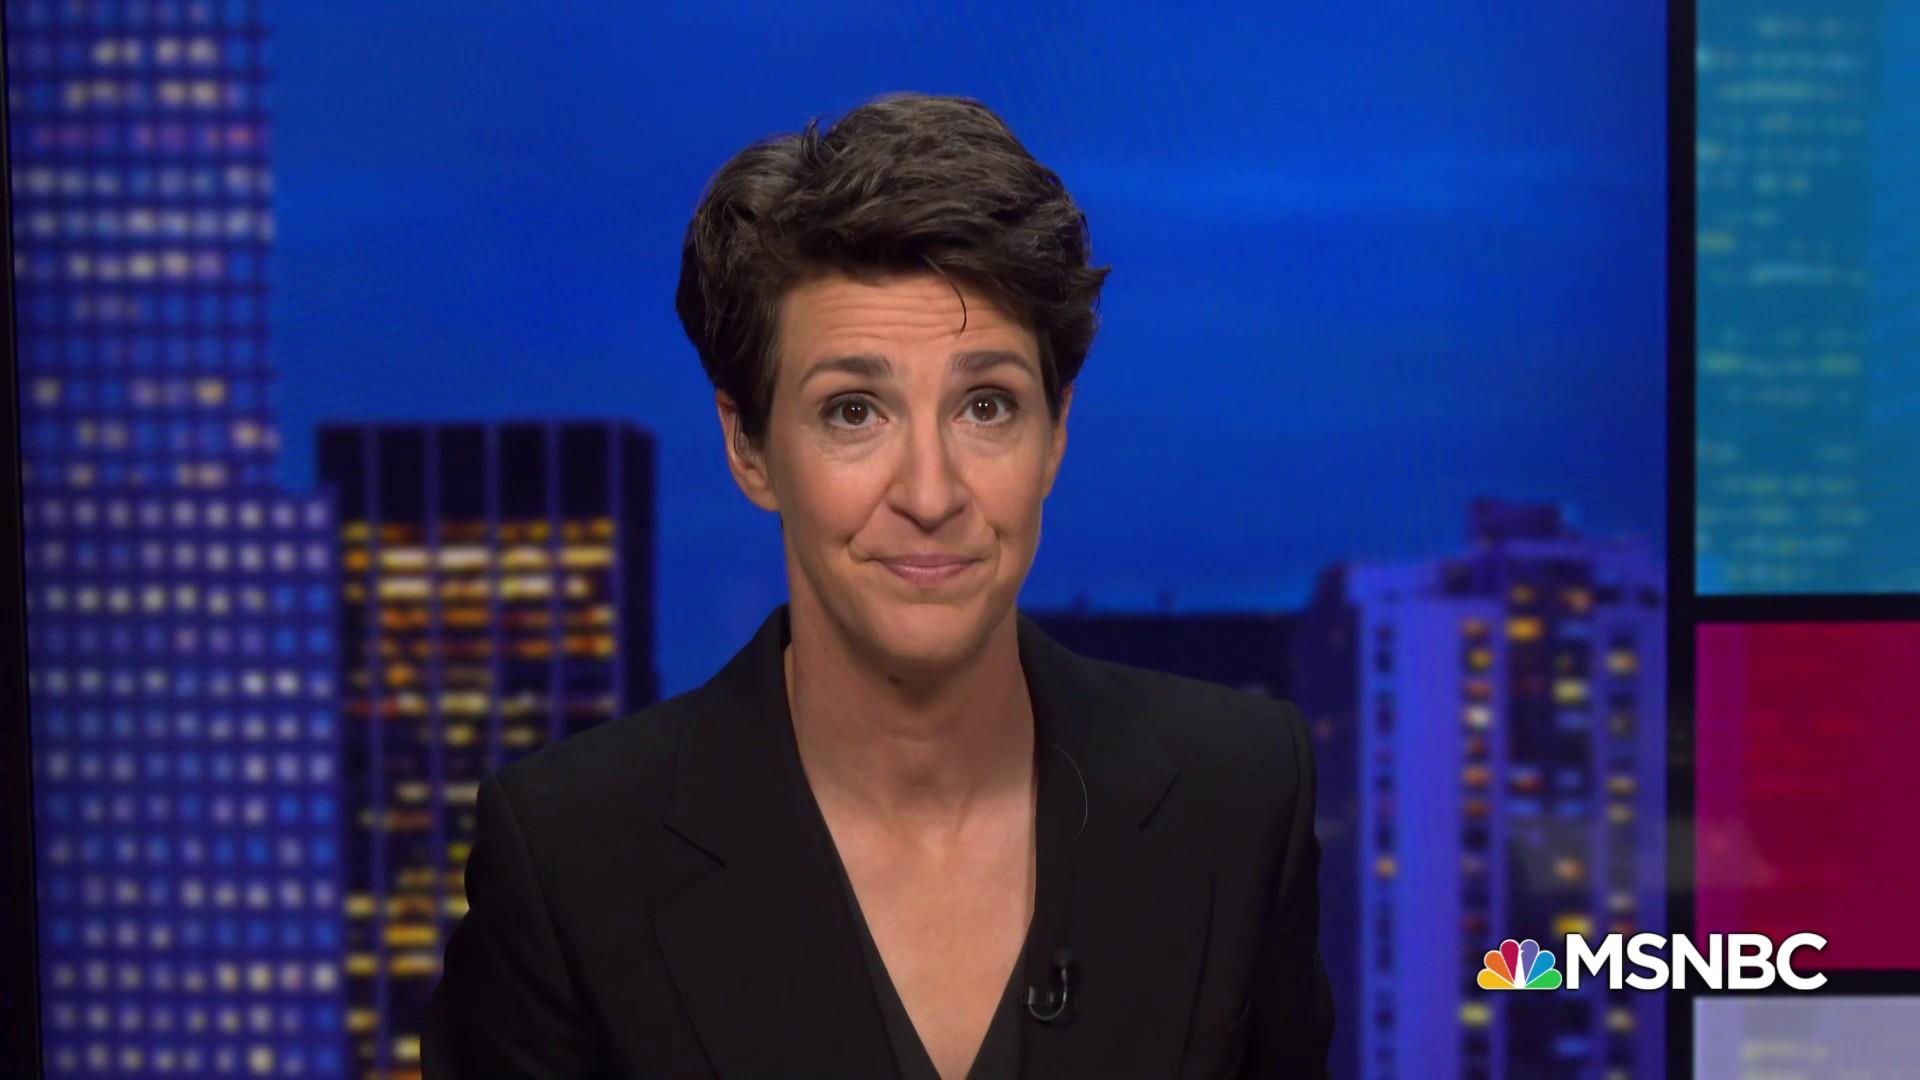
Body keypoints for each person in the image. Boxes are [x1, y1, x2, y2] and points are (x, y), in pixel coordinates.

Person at [423, 91, 1333, 1079]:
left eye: (987, 406)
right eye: (854, 411)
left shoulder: (1239, 797)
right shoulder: (569, 862)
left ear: (1056, 435)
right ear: (749, 446)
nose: (930, 494)